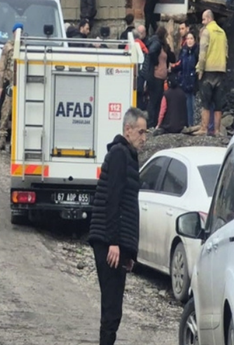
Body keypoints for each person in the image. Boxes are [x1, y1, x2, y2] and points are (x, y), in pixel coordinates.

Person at [87, 108, 146, 345]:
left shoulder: (126, 155)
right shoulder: (121, 154)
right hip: (109, 241)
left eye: (146, 132)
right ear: (127, 130)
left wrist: (128, 252)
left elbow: (126, 204)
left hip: (115, 242)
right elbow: (114, 200)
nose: (144, 138)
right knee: (112, 309)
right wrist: (113, 242)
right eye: (141, 132)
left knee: (113, 308)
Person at [196, 10, 228, 136]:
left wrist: (200, 69)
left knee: (206, 101)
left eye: (203, 19)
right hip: (220, 70)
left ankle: (204, 128)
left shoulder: (206, 31)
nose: (202, 22)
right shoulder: (222, 32)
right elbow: (226, 53)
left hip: (208, 70)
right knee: (218, 102)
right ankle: (217, 130)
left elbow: (202, 53)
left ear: (209, 19)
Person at [142, 26, 174, 129]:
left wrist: (170, 46)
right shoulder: (157, 43)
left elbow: (172, 57)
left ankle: (155, 122)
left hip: (161, 77)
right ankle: (151, 122)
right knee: (154, 100)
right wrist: (156, 62)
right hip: (156, 77)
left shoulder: (162, 45)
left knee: (158, 100)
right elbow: (151, 52)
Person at [0, 23, 21, 150]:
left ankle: (15, 141)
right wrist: (0, 85)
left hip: (21, 86)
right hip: (10, 85)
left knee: (20, 114)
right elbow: (1, 67)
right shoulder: (8, 47)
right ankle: (2, 138)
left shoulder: (24, 46)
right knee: (5, 112)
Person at [171, 31, 198, 127]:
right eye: (188, 39)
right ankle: (186, 123)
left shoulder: (196, 51)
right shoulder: (184, 51)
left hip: (194, 81)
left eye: (191, 39)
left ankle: (192, 123)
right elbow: (180, 64)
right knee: (185, 103)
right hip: (184, 80)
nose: (189, 41)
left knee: (193, 104)